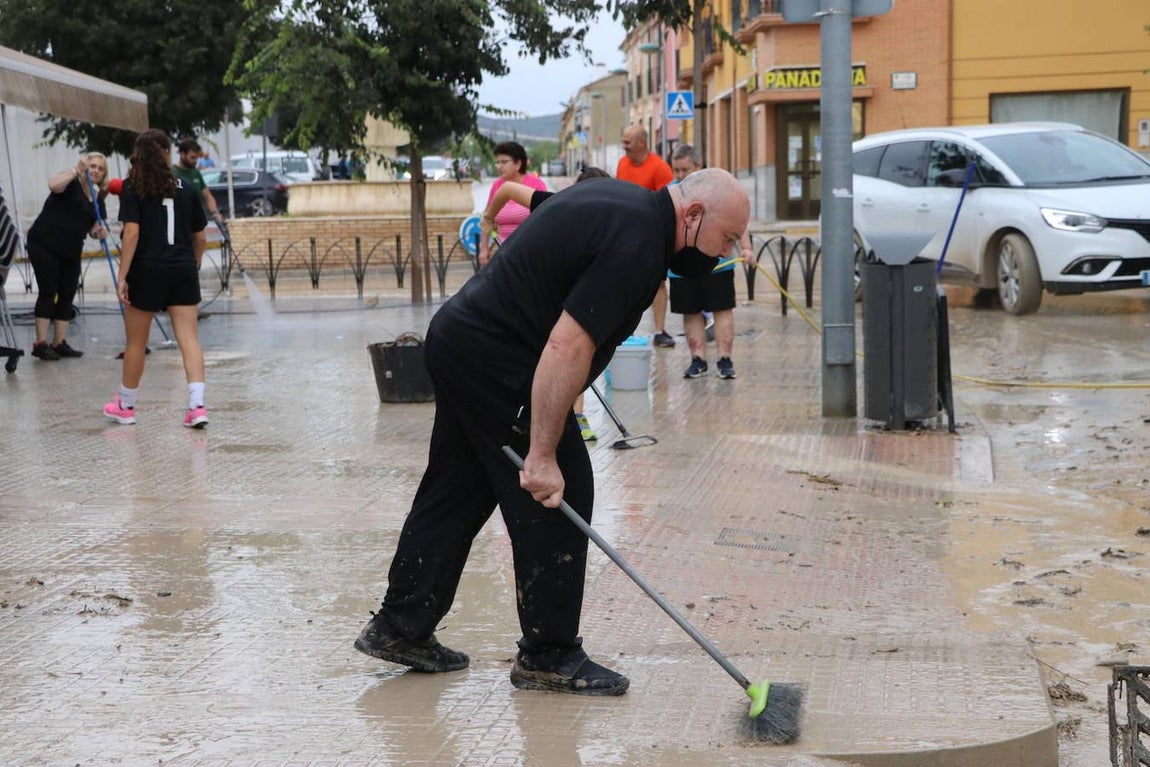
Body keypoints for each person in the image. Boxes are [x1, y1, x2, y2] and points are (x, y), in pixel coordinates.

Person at [354, 168, 750, 697]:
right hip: (495, 360)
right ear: (694, 215)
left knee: (458, 488)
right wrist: (541, 454)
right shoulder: (637, 245)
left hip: (461, 340)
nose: (727, 252)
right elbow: (568, 346)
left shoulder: (624, 205)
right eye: (727, 238)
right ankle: (549, 655)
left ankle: (400, 626)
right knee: (561, 493)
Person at [479, 166, 611, 442]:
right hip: (542, 296)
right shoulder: (559, 204)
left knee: (578, 354)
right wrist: (488, 219)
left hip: (577, 299)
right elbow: (507, 189)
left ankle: (575, 415)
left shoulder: (614, 222)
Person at [103, 129, 209, 429]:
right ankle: (197, 406)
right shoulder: (187, 187)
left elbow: (131, 233)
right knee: (189, 338)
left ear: (138, 155)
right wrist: (193, 265)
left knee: (136, 343)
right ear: (165, 152)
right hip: (182, 268)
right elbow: (200, 236)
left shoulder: (133, 186)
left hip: (147, 269)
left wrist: (122, 276)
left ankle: (125, 405)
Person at [669, 144, 750, 380]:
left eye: (685, 169)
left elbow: (737, 218)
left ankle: (725, 360)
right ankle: (698, 360)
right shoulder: (672, 192)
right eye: (676, 170)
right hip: (681, 268)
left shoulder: (717, 189)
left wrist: (746, 247)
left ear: (698, 165)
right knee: (690, 312)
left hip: (718, 265)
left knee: (722, 310)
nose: (680, 175)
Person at [25, 153, 109, 360]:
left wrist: (98, 232)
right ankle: (40, 344)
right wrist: (76, 170)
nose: (95, 170)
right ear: (85, 166)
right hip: (45, 243)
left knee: (68, 292)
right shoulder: (71, 182)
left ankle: (59, 342)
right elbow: (53, 185)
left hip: (70, 249)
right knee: (48, 290)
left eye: (100, 168)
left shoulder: (97, 199)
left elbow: (92, 227)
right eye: (92, 166)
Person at [615, 126, 675, 348]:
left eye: (627, 142)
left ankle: (659, 331)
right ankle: (622, 329)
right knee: (623, 280)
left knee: (658, 283)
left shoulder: (660, 168)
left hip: (653, 232)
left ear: (641, 143)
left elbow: (667, 204)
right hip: (625, 232)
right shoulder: (622, 164)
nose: (624, 146)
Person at [477, 141, 548, 268]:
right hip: (503, 253)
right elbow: (487, 219)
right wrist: (484, 248)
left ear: (518, 163)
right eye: (497, 162)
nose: (499, 166)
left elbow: (547, 217)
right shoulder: (497, 186)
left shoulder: (536, 184)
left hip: (530, 253)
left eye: (504, 162)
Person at [172, 138, 221, 220]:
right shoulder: (172, 172)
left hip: (196, 220)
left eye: (197, 158)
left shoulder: (196, 173)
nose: (195, 161)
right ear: (182, 154)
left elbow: (208, 196)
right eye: (192, 157)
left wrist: (215, 212)